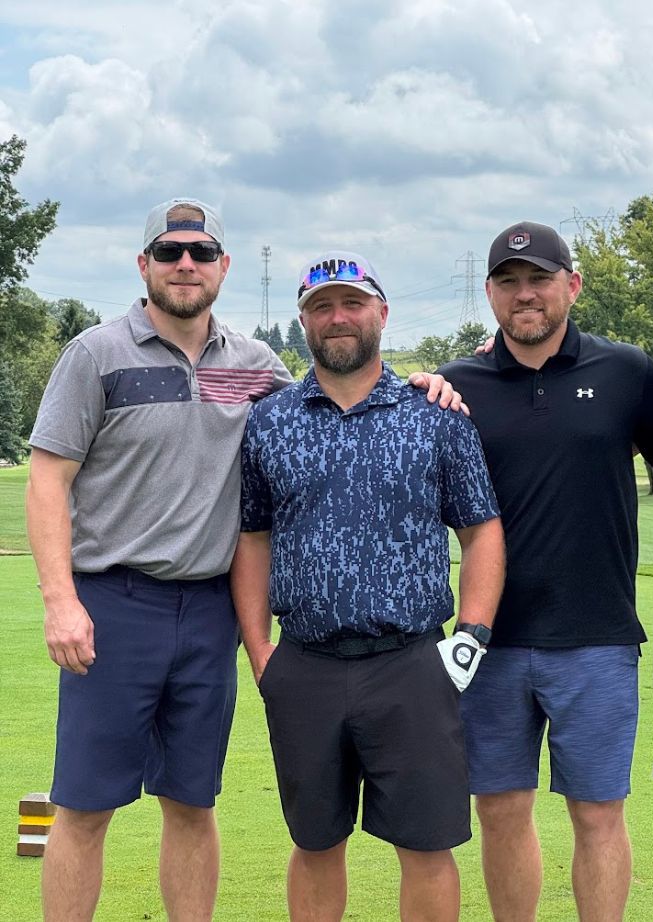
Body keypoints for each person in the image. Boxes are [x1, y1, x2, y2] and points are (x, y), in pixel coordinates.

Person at [25, 203, 459, 922]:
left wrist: (426, 383)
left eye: (201, 252)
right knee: (85, 804)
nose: (185, 265)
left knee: (192, 801)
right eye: (169, 251)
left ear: (223, 266)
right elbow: (48, 479)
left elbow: (333, 395)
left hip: (210, 612)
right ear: (144, 264)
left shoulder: (256, 366)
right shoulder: (95, 355)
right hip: (113, 605)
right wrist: (59, 600)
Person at [230, 250, 505, 922]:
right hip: (306, 665)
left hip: (411, 664)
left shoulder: (434, 414)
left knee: (428, 847)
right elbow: (252, 538)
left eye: (352, 303)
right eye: (321, 307)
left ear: (381, 313)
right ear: (304, 322)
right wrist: (261, 653)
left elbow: (481, 531)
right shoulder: (271, 420)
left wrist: (470, 637)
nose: (338, 317)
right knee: (315, 843)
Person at [437, 223, 653, 922]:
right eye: (508, 282)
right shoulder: (454, 386)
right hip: (489, 640)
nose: (525, 294)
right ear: (489, 295)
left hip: (596, 635)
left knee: (598, 813)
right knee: (500, 810)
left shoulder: (627, 371)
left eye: (539, 279)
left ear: (572, 285)